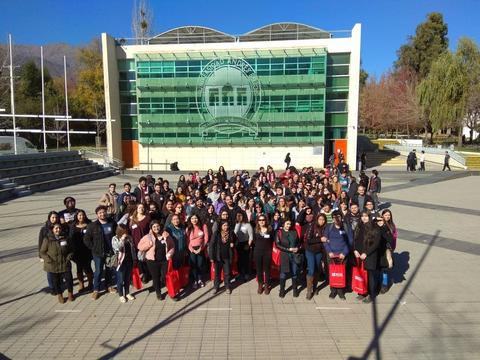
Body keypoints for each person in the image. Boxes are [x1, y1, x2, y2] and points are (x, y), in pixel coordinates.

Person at [83, 205, 117, 300]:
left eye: (103, 212)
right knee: (98, 271)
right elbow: (86, 239)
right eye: (100, 213)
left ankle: (109, 286)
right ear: (97, 215)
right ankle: (96, 290)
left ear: (106, 212)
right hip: (98, 253)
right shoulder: (92, 226)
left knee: (109, 270)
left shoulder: (112, 222)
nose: (102, 214)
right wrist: (93, 248)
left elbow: (116, 233)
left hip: (110, 251)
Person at [138, 221, 175, 300]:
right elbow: (139, 246)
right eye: (154, 227)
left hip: (164, 260)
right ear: (151, 228)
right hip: (152, 261)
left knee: (165, 277)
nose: (156, 228)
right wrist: (149, 244)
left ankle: (171, 291)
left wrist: (169, 254)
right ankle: (158, 293)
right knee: (155, 277)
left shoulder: (165, 235)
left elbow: (172, 246)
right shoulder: (147, 237)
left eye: (157, 226)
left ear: (160, 226)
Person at [40, 223, 74, 304]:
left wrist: (69, 256)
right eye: (56, 228)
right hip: (53, 265)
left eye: (59, 228)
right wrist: (48, 260)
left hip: (65, 263)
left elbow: (71, 249)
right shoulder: (47, 239)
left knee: (69, 280)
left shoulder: (65, 238)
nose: (58, 230)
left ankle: (70, 294)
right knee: (56, 282)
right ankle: (60, 295)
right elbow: (42, 252)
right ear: (52, 229)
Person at [353, 212, 381, 303]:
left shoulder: (374, 227)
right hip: (359, 255)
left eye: (366, 216)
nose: (364, 218)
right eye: (362, 216)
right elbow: (355, 240)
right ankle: (362, 292)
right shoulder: (359, 226)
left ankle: (371, 294)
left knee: (370, 276)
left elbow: (376, 244)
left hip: (369, 256)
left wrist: (366, 253)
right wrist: (355, 250)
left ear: (369, 217)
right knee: (362, 275)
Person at [323, 210, 352, 300]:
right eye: (334, 217)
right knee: (332, 273)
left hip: (342, 255)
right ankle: (333, 290)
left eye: (338, 216)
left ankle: (341, 291)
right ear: (332, 218)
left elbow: (350, 241)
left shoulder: (346, 227)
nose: (337, 219)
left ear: (341, 217)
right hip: (331, 255)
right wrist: (329, 251)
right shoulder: (329, 227)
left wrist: (344, 253)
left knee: (341, 273)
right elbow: (325, 240)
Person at [302, 214, 328, 300]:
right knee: (312, 269)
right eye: (320, 219)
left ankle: (315, 287)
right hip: (310, 251)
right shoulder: (312, 226)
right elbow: (308, 240)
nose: (322, 221)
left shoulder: (326, 228)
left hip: (319, 252)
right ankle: (309, 290)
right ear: (317, 219)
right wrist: (320, 239)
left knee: (317, 270)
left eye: (323, 220)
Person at [208, 220, 237, 294]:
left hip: (227, 257)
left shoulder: (231, 233)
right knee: (217, 274)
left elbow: (237, 240)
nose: (226, 227)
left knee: (227, 273)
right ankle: (216, 287)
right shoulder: (216, 233)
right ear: (221, 226)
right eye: (224, 225)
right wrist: (211, 257)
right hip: (217, 257)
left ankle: (227, 286)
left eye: (227, 225)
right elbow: (211, 245)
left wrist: (233, 244)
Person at [275, 219, 302, 298]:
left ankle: (295, 290)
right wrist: (288, 249)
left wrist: (297, 248)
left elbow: (298, 242)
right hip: (284, 255)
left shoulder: (294, 232)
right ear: (283, 224)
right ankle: (282, 290)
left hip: (294, 255)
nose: (289, 226)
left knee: (294, 273)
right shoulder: (279, 232)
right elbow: (277, 244)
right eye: (287, 224)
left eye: (290, 224)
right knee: (283, 273)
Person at [69, 210, 93, 293]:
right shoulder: (73, 226)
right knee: (79, 269)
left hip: (87, 250)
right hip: (77, 251)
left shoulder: (89, 224)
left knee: (88, 268)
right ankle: (81, 285)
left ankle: (90, 283)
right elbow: (71, 238)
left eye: (83, 215)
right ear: (76, 216)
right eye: (79, 215)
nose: (81, 217)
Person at [112, 224, 137, 303]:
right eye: (123, 231)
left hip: (129, 261)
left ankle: (127, 293)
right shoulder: (115, 238)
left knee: (127, 279)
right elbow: (117, 248)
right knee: (120, 279)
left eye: (126, 230)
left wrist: (134, 259)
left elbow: (132, 249)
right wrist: (122, 239)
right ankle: (121, 295)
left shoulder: (129, 237)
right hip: (120, 262)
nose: (125, 232)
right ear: (119, 231)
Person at [38, 211, 60, 294]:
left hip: (59, 253)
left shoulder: (60, 227)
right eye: (53, 217)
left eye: (56, 217)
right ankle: (52, 287)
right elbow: (40, 242)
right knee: (50, 271)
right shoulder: (44, 229)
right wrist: (40, 256)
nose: (54, 219)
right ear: (49, 218)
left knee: (59, 271)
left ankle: (58, 285)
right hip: (48, 254)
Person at [253, 215, 274, 295]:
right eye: (260, 220)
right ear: (258, 221)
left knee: (267, 270)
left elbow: (272, 240)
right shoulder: (255, 230)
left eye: (263, 220)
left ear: (266, 221)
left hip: (267, 252)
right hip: (258, 252)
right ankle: (260, 284)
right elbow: (254, 241)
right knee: (259, 270)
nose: (262, 221)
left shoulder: (270, 229)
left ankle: (267, 285)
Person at [186, 214, 209, 288]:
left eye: (195, 218)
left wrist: (201, 248)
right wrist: (192, 250)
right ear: (190, 220)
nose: (194, 220)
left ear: (198, 219)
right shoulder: (188, 228)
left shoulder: (203, 226)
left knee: (200, 265)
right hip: (192, 250)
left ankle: (200, 279)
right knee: (194, 266)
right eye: (192, 218)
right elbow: (187, 241)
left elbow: (206, 238)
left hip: (201, 249)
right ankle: (195, 280)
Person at [234, 211, 253, 282]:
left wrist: (248, 245)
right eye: (238, 216)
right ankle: (240, 274)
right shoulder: (236, 224)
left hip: (245, 244)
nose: (239, 217)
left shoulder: (248, 225)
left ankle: (246, 274)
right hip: (238, 244)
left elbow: (251, 236)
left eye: (240, 216)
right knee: (239, 260)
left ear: (243, 216)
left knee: (245, 260)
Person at [380, 209, 397, 293]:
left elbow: (394, 238)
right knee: (379, 267)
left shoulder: (392, 225)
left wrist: (392, 248)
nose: (387, 216)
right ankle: (379, 283)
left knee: (385, 269)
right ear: (382, 215)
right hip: (380, 248)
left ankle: (384, 285)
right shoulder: (380, 223)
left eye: (389, 215)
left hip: (388, 249)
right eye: (385, 215)